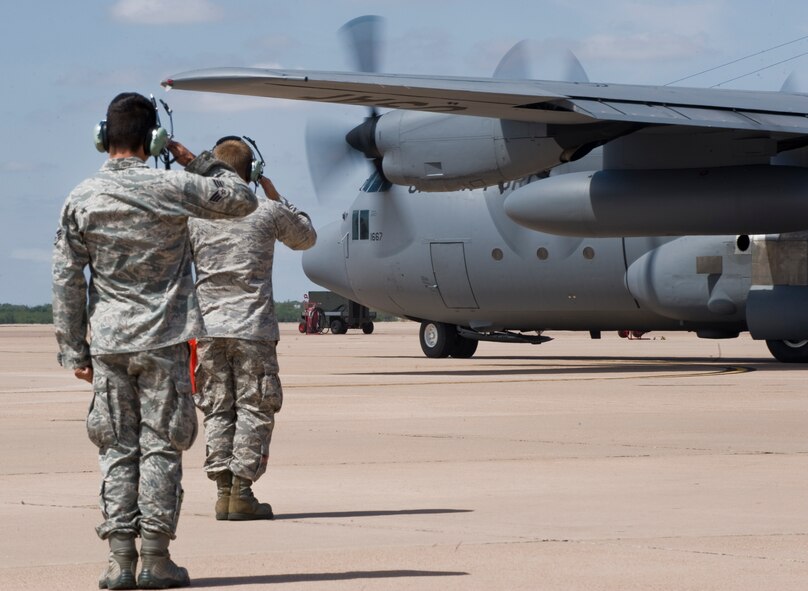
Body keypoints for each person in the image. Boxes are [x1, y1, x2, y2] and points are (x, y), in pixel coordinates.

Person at [52, 93, 258, 590]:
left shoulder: (81, 196)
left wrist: (73, 351)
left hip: (108, 345)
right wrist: (199, 159)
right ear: (154, 139)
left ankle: (119, 562)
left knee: (116, 450)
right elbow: (244, 199)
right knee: (162, 448)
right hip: (164, 342)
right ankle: (155, 560)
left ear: (104, 137)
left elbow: (66, 279)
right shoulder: (174, 185)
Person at [188, 136, 316, 521]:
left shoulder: (194, 213)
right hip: (252, 329)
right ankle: (242, 492)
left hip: (208, 328)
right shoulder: (266, 209)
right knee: (254, 407)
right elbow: (306, 236)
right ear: (252, 171)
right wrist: (275, 193)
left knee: (216, 408)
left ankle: (223, 491)